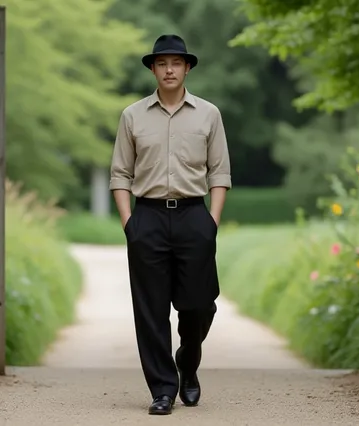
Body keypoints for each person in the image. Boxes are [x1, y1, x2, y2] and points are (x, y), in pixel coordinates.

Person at [108, 34, 232, 416]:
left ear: (187, 67)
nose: (169, 70)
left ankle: (188, 362)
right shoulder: (132, 116)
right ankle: (163, 389)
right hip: (147, 218)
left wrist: (211, 222)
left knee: (199, 305)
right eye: (162, 63)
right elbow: (120, 174)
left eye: (176, 63)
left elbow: (220, 172)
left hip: (195, 216)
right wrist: (130, 224)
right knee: (151, 309)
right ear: (153, 69)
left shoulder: (209, 114)